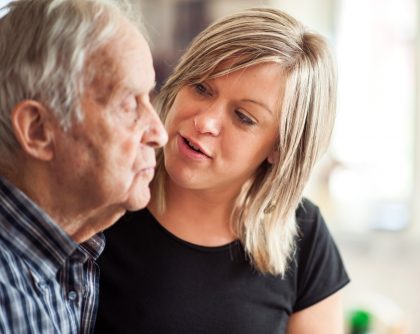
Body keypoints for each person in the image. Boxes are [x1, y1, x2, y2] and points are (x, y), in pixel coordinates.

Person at [96, 7, 349, 334]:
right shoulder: (102, 200)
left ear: (280, 148)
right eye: (201, 88)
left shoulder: (305, 234)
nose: (204, 122)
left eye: (244, 117)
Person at [0, 0, 167, 333]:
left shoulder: (73, 253)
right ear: (38, 130)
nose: (159, 133)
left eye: (149, 98)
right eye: (128, 105)